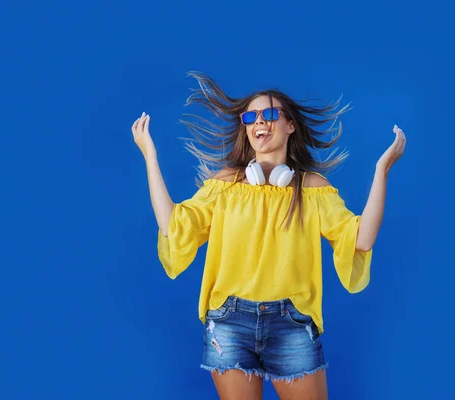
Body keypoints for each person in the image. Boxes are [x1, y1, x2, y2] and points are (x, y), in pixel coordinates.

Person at [131, 72, 406, 400]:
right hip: (228, 321)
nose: (258, 122)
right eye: (251, 117)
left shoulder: (312, 189)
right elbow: (173, 225)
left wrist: (382, 170)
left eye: (269, 114)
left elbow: (361, 240)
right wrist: (150, 156)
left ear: (290, 125)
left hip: (290, 320)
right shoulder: (226, 185)